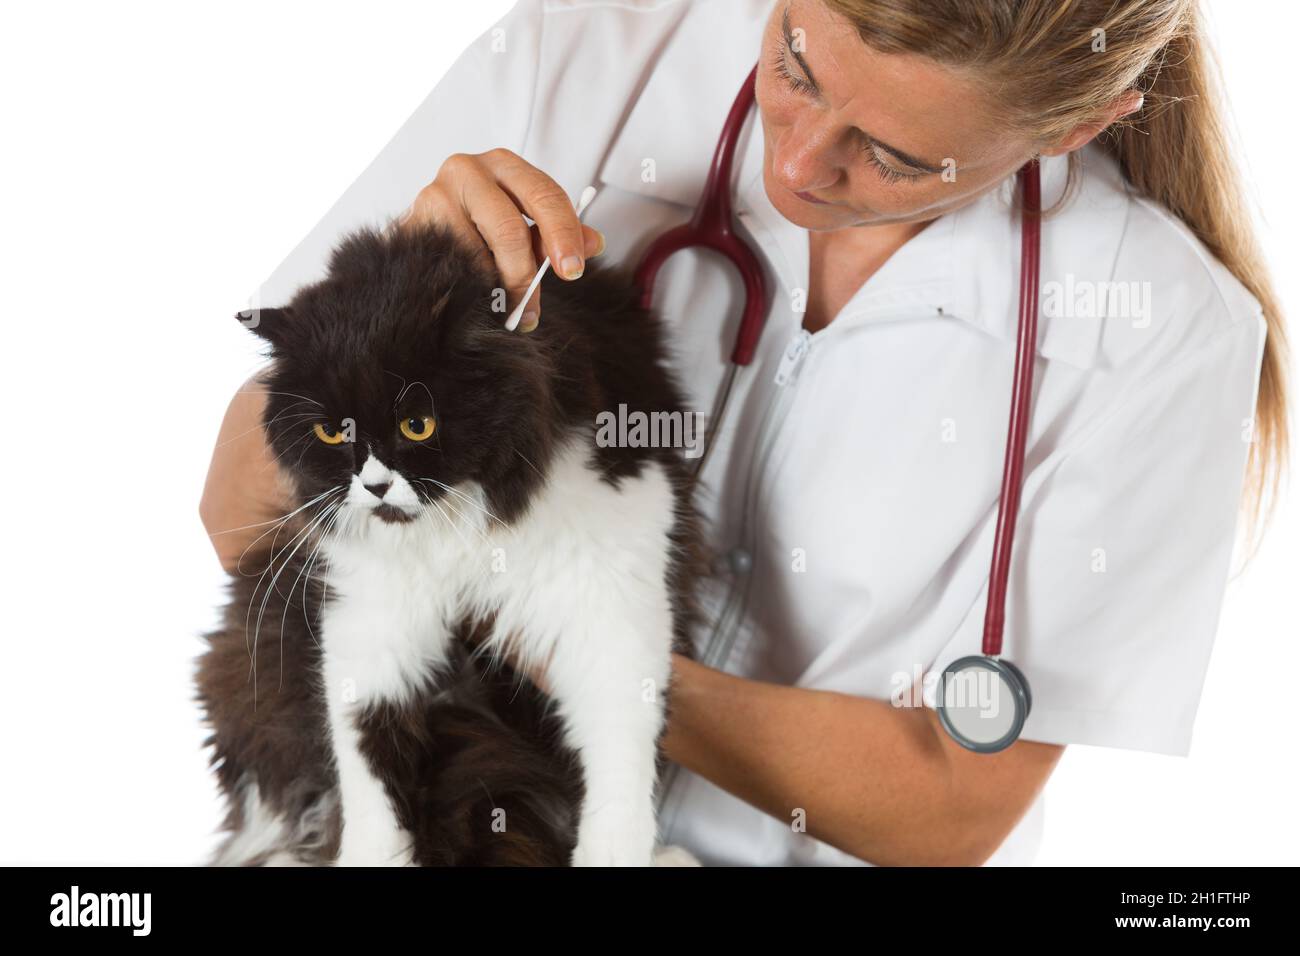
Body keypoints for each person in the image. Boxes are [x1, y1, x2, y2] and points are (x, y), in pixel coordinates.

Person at [199, 0, 1288, 866]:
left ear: (1077, 123)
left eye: (894, 155)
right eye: (795, 67)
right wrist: (387, 310)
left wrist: (579, 636)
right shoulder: (568, 64)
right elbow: (236, 504)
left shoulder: (1164, 328)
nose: (801, 164)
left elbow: (947, 805)